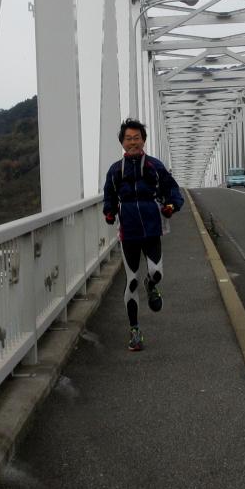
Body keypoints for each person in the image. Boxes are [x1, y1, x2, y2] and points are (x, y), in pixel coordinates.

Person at [102, 118, 184, 352]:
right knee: (131, 280)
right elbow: (109, 196)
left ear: (143, 140)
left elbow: (172, 189)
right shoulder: (115, 170)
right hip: (128, 231)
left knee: (156, 272)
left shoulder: (155, 166)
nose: (133, 142)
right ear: (122, 142)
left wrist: (172, 206)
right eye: (128, 139)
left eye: (136, 138)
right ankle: (135, 330)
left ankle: (151, 284)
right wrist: (109, 212)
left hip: (152, 228)